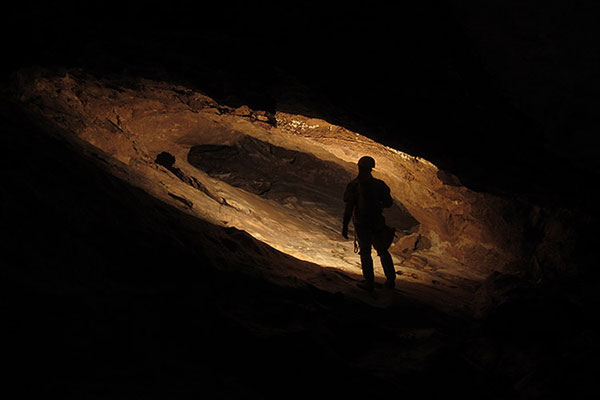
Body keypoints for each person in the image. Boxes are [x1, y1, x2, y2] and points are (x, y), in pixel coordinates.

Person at [342, 156, 396, 291]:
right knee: (382, 251)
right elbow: (389, 203)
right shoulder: (379, 184)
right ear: (371, 169)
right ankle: (390, 281)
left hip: (362, 223)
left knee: (365, 252)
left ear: (359, 167)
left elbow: (349, 207)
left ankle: (369, 281)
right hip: (377, 222)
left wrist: (345, 226)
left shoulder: (354, 185)